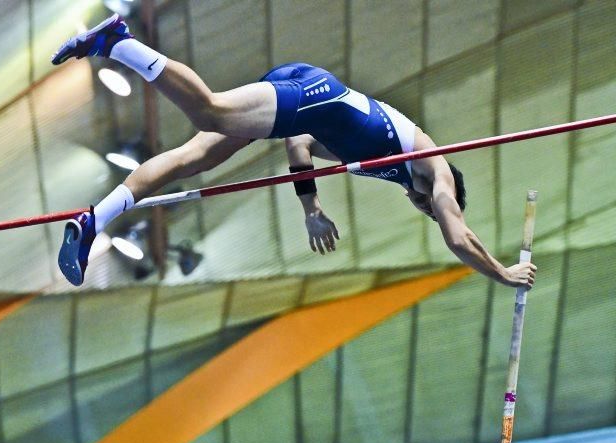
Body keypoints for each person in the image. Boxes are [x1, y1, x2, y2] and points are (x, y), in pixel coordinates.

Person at [52, 14, 537, 290]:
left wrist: (312, 208)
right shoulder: (438, 174)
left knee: (190, 158)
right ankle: (119, 43)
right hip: (316, 92)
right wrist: (502, 273)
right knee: (210, 113)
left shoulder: (386, 165)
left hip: (305, 100)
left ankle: (95, 219)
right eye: (433, 211)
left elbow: (300, 139)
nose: (430, 209)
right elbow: (458, 238)